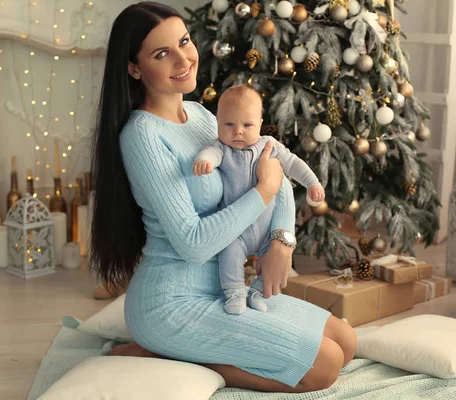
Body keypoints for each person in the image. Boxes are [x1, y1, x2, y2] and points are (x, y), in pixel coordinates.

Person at [90, 1, 356, 393]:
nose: (184, 59)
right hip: (172, 304)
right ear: (133, 68)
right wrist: (262, 191)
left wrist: (283, 240)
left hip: (226, 288)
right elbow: (195, 244)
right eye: (162, 54)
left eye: (184, 42)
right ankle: (166, 355)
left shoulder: (202, 116)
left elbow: (272, 168)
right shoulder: (142, 136)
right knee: (325, 367)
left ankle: (182, 353)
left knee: (347, 343)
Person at [192, 85, 325, 315]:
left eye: (247, 125)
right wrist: (205, 161)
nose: (237, 132)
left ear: (260, 124)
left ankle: (256, 292)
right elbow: (211, 155)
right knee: (229, 256)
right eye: (229, 124)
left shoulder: (269, 145)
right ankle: (235, 294)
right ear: (218, 123)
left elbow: (293, 164)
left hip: (266, 233)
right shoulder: (221, 148)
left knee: (271, 264)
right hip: (237, 232)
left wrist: (312, 183)